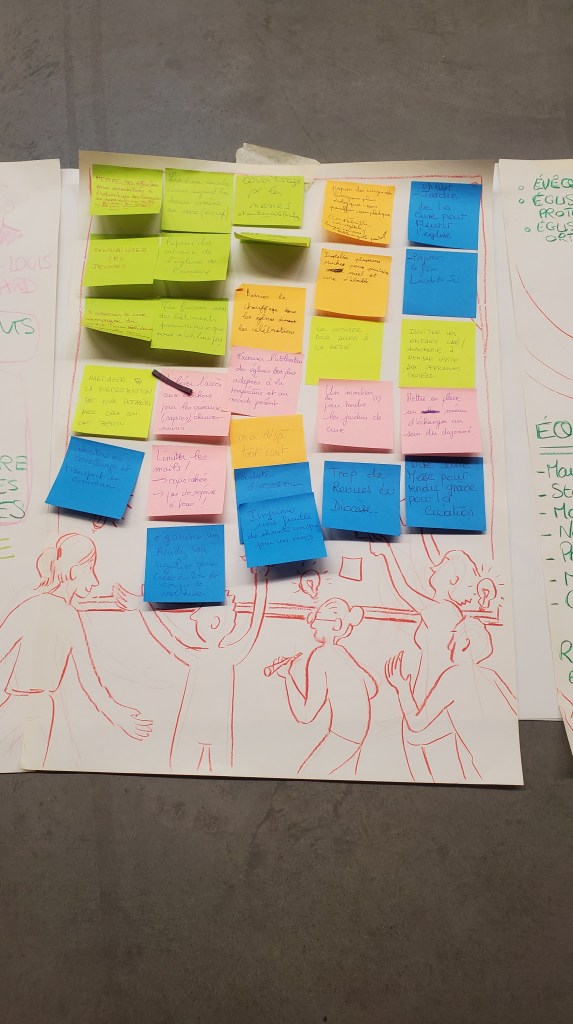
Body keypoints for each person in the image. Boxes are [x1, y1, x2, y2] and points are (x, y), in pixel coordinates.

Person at [0, 534, 152, 767]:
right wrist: (119, 716)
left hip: (29, 706)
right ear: (72, 571)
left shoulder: (53, 610)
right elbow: (92, 684)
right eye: (90, 568)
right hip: (33, 708)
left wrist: (119, 715)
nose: (95, 579)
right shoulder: (54, 611)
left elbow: (91, 682)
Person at [128, 569, 268, 773]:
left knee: (194, 764)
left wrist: (148, 606)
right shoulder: (219, 655)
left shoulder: (213, 655)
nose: (197, 621)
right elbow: (254, 626)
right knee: (182, 764)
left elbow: (168, 637)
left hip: (207, 728)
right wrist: (261, 586)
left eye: (199, 618)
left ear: (222, 621)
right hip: (202, 727)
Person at [384, 619, 517, 782]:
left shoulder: (455, 675)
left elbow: (417, 725)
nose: (449, 645)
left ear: (466, 642)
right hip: (506, 763)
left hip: (489, 771)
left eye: (454, 636)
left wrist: (403, 689)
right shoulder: (491, 676)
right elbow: (423, 735)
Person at [271, 598, 378, 776]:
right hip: (358, 735)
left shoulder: (320, 655)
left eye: (318, 618)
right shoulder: (341, 651)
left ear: (336, 624)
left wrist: (287, 677)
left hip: (344, 737)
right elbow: (372, 689)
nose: (312, 624)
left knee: (305, 775)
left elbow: (305, 715)